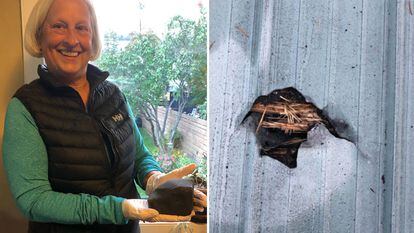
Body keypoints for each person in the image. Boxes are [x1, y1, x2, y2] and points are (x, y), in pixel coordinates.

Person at [2, 0, 207, 232]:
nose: (71, 40)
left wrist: (154, 179)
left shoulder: (114, 95)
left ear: (93, 39)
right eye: (59, 26)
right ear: (39, 36)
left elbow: (139, 155)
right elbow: (34, 200)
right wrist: (120, 209)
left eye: (81, 27)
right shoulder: (26, 107)